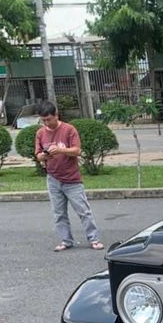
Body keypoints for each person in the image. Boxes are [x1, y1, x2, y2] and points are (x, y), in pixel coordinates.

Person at [34, 100, 104, 251]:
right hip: (53, 178)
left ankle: (94, 239)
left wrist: (60, 150)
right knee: (59, 213)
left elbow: (77, 150)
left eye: (49, 119)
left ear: (56, 115)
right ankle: (66, 240)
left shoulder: (69, 130)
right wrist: (43, 156)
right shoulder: (40, 133)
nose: (46, 123)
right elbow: (38, 155)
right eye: (43, 120)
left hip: (72, 179)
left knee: (83, 211)